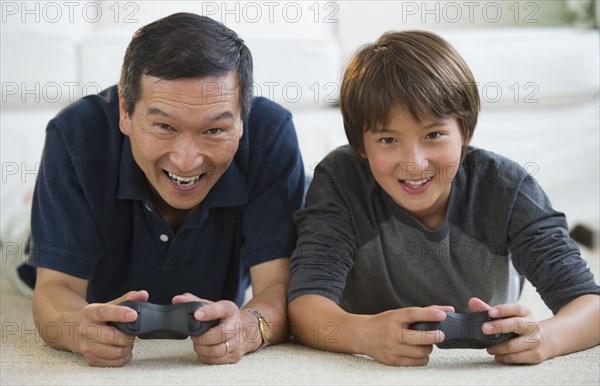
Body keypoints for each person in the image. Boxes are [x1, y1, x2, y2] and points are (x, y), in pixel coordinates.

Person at [287, 30, 600, 366]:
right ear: (360, 145)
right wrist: (362, 333)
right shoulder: (340, 179)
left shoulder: (507, 188)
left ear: (465, 131)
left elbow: (590, 305)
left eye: (433, 135)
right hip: (343, 247)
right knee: (303, 195)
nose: (414, 163)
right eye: (388, 140)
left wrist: (547, 337)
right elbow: (306, 308)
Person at [25, 12, 304, 367]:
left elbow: (277, 289)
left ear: (242, 120)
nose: (186, 162)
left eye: (214, 131)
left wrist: (249, 328)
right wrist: (76, 329)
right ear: (125, 112)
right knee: (19, 237)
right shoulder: (75, 134)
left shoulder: (271, 135)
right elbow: (53, 289)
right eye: (164, 126)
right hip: (52, 248)